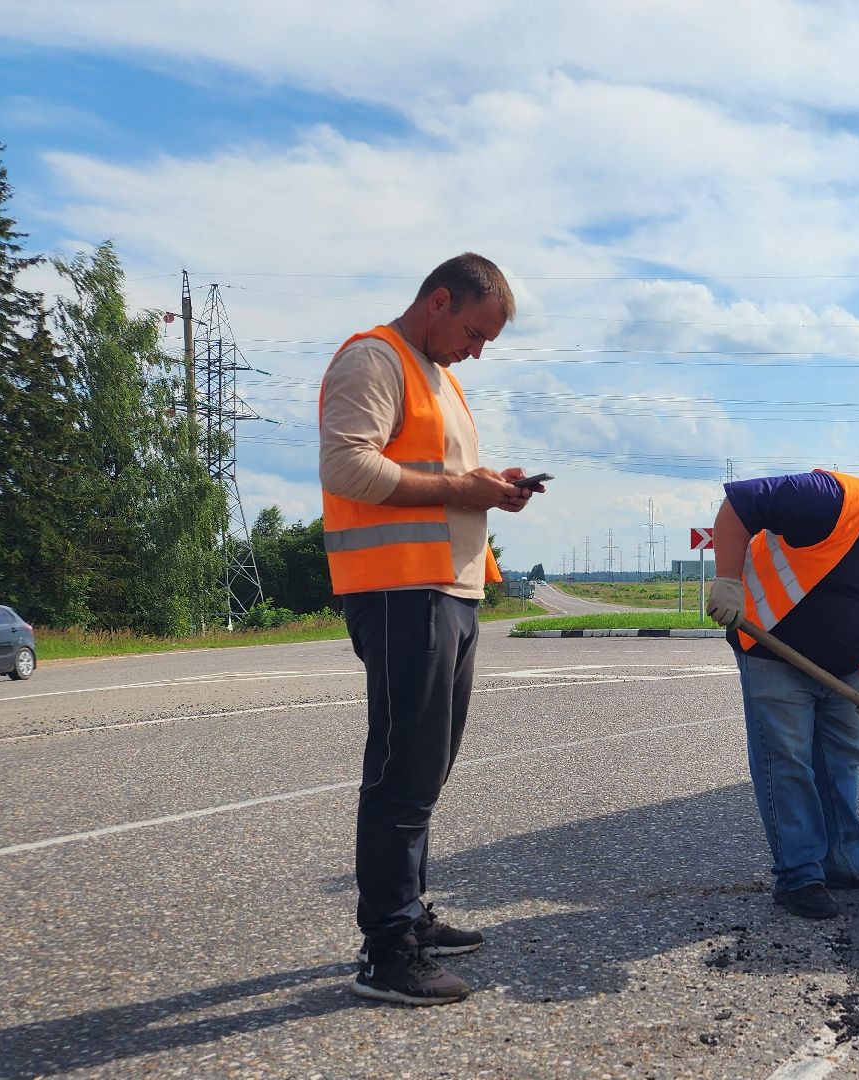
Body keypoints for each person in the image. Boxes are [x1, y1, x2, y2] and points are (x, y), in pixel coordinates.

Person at [319, 252, 541, 1005]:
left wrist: (492, 489)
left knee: (426, 770)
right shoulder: (375, 359)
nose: (476, 352)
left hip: (447, 590)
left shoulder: (438, 378)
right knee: (402, 774)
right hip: (401, 592)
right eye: (475, 333)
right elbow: (348, 468)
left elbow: (441, 483)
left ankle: (408, 917)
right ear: (439, 301)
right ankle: (387, 952)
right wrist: (459, 486)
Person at [705, 466, 859, 919]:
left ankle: (846, 862)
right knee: (787, 763)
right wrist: (727, 580)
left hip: (844, 671)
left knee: (842, 762)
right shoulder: (829, 499)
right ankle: (799, 875)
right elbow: (739, 505)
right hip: (771, 649)